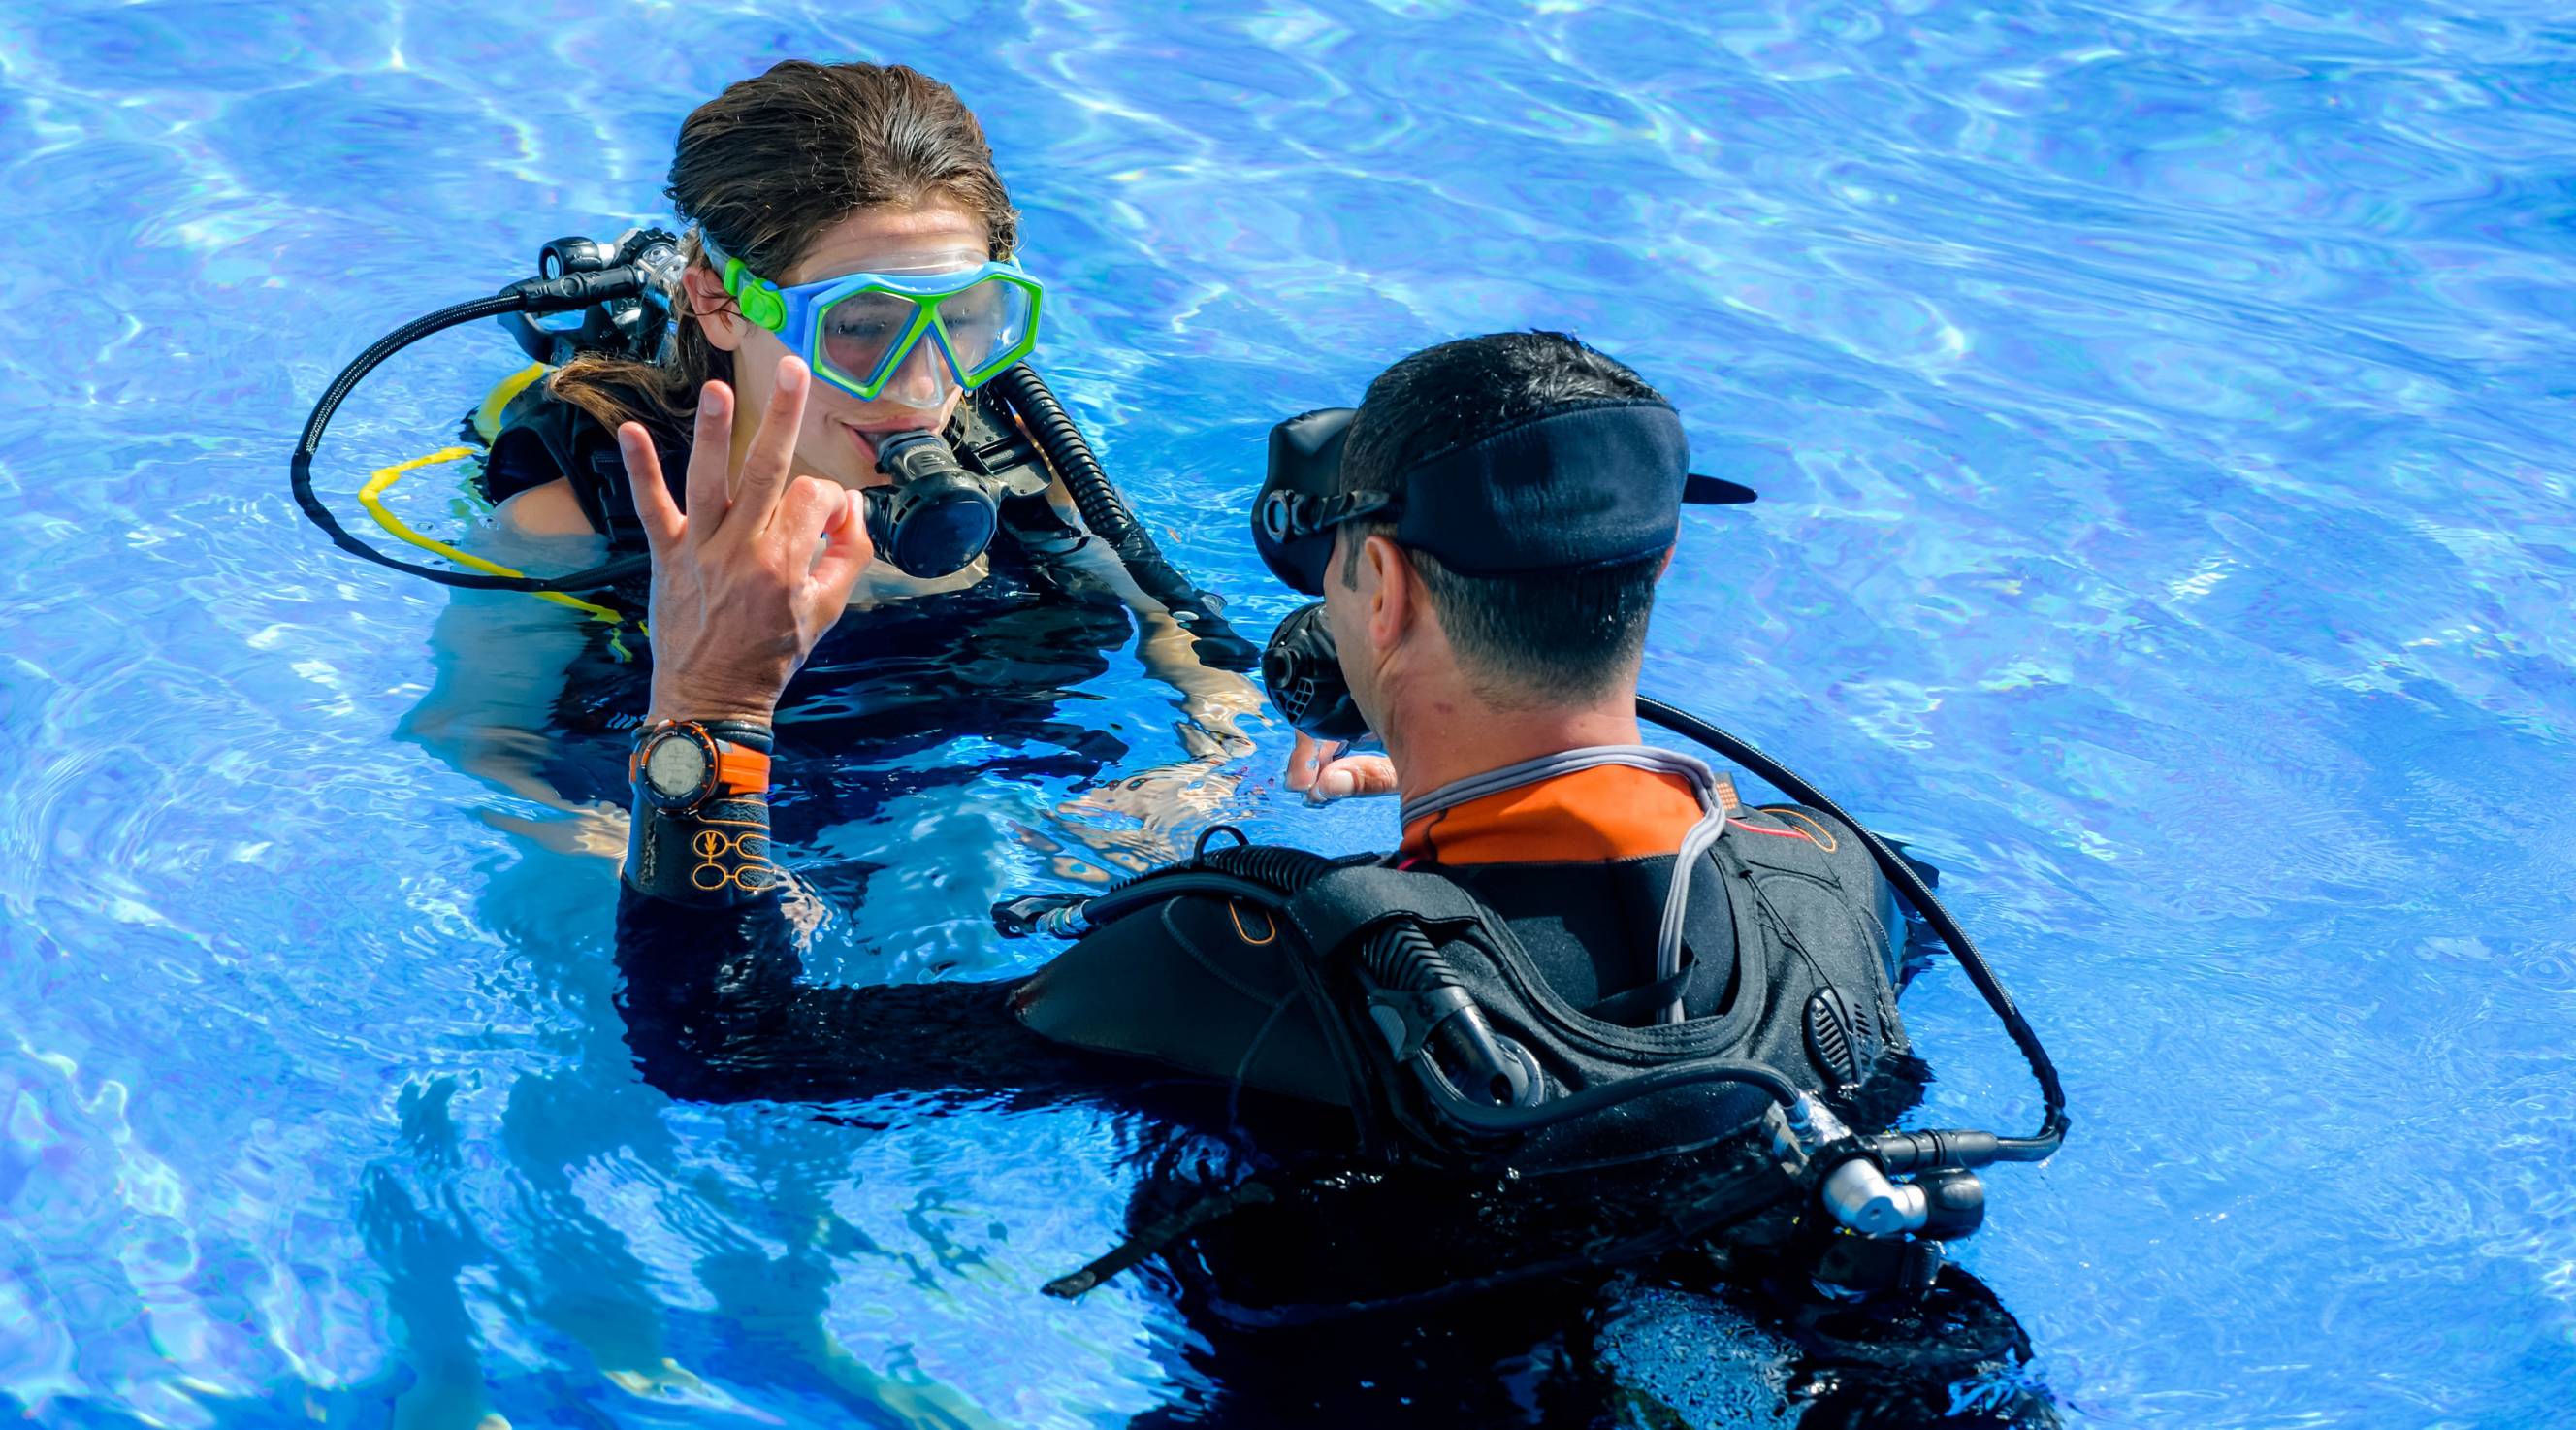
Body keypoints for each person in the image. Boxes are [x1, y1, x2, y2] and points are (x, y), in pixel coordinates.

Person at [608, 332, 2058, 1423]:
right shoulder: (1848, 881)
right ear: (1655, 571)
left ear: (1386, 589)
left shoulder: (1236, 962)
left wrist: (713, 716)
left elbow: (723, 1044)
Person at [401, 59, 1260, 874]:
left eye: (961, 319)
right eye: (857, 326)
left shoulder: (1017, 456)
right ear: (718, 300)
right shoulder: (582, 515)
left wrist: (1202, 766)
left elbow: (1181, 623)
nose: (923, 383)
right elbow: (481, 738)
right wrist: (630, 849)